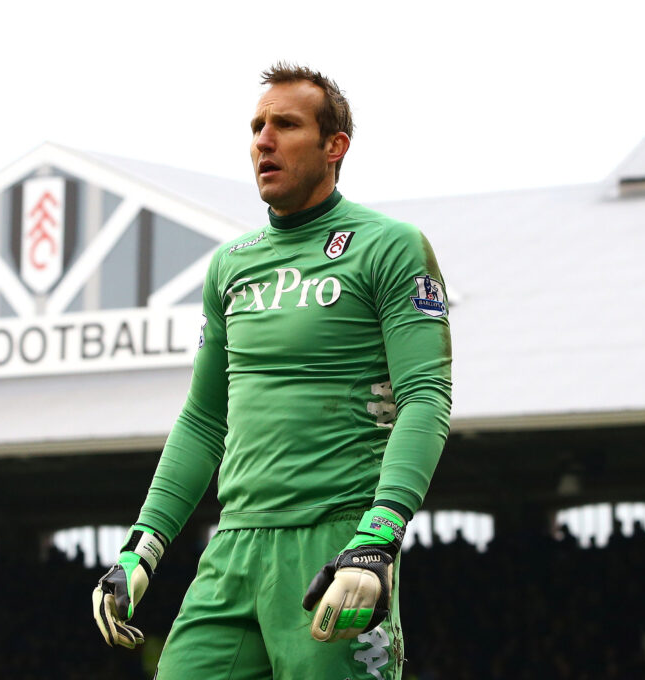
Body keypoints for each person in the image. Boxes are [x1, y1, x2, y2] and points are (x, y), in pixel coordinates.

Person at [93, 62, 452, 680]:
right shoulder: (230, 266)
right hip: (231, 550)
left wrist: (378, 540)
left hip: (334, 543)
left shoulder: (389, 246)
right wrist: (142, 546)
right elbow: (205, 420)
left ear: (334, 146)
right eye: (257, 126)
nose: (263, 139)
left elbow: (426, 397)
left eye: (285, 125)